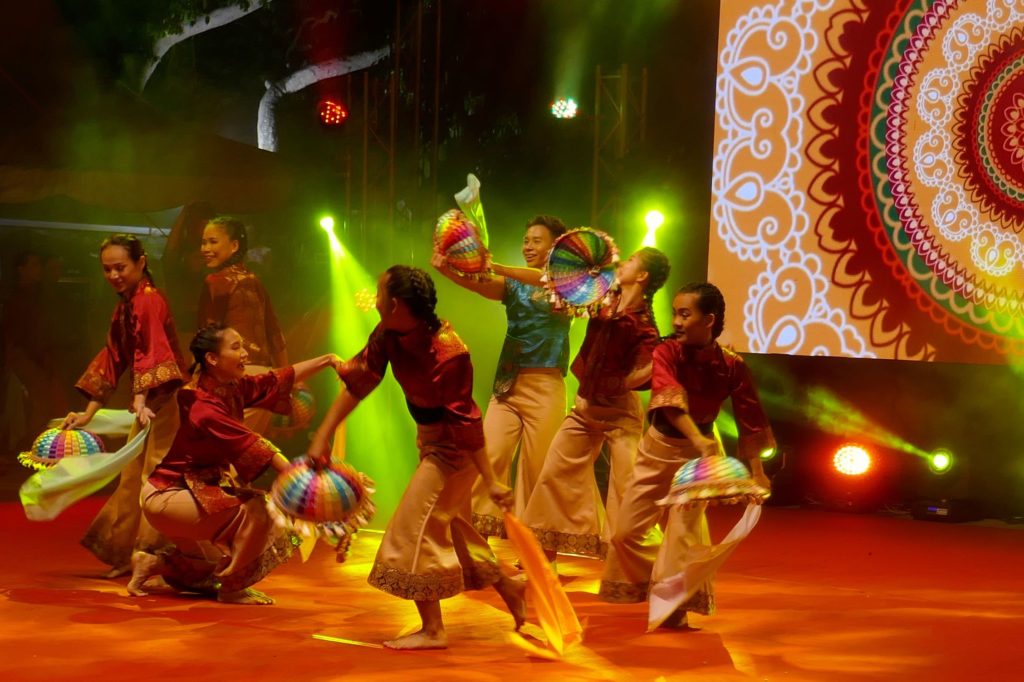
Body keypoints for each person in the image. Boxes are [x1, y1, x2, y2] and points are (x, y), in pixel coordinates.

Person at [308, 265, 526, 650]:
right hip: (429, 439)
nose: (373, 300)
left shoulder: (448, 351)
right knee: (451, 524)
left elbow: (467, 423)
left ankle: (433, 630)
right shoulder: (389, 333)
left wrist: (491, 480)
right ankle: (509, 587)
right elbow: (360, 382)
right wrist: (323, 437)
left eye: (378, 293)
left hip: (456, 447)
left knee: (415, 526)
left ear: (393, 304)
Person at [598, 282, 775, 627]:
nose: (676, 321)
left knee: (681, 537)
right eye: (675, 313)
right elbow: (669, 400)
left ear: (708, 320)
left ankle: (673, 600)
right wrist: (698, 439)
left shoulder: (732, 365)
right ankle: (667, 580)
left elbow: (751, 420)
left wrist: (757, 471)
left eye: (685, 314)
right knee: (623, 534)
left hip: (700, 462)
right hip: (659, 450)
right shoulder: (666, 353)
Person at [131, 324, 340, 603]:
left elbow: (277, 379)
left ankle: (154, 564)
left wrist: (327, 360)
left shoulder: (231, 388)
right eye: (236, 347)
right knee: (261, 512)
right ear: (212, 359)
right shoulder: (201, 405)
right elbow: (252, 444)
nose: (245, 354)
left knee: (215, 567)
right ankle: (233, 588)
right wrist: (305, 480)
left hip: (192, 492)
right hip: (168, 496)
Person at [520, 247, 670, 563]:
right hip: (586, 408)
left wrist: (657, 360)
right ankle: (544, 553)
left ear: (642, 276)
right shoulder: (603, 302)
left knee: (625, 487)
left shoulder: (643, 327)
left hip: (619, 413)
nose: (624, 262)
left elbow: (639, 376)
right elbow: (563, 289)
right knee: (554, 473)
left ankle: (631, 558)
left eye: (631, 261)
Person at [431, 214, 572, 537]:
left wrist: (497, 266)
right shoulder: (514, 285)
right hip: (508, 386)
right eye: (526, 240)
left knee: (538, 468)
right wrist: (446, 269)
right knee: (487, 458)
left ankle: (539, 548)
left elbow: (544, 280)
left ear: (555, 247)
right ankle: (477, 537)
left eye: (537, 240)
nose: (528, 245)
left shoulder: (569, 284)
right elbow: (479, 285)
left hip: (546, 386)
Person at [61, 234, 189, 577]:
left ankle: (154, 555)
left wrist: (140, 395)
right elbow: (114, 355)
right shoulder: (127, 304)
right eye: (107, 269)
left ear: (141, 263)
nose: (114, 275)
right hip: (151, 400)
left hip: (169, 399)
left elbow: (153, 350)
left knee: (154, 478)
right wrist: (90, 410)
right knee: (133, 476)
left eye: (120, 267)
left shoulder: (148, 301)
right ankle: (131, 553)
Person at [197, 216, 288, 434]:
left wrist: (196, 378)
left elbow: (208, 336)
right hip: (265, 380)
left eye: (213, 241)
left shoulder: (216, 282)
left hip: (233, 378)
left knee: (222, 453)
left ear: (234, 245)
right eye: (203, 242)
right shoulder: (256, 281)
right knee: (247, 451)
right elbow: (275, 333)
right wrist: (284, 379)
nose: (205, 248)